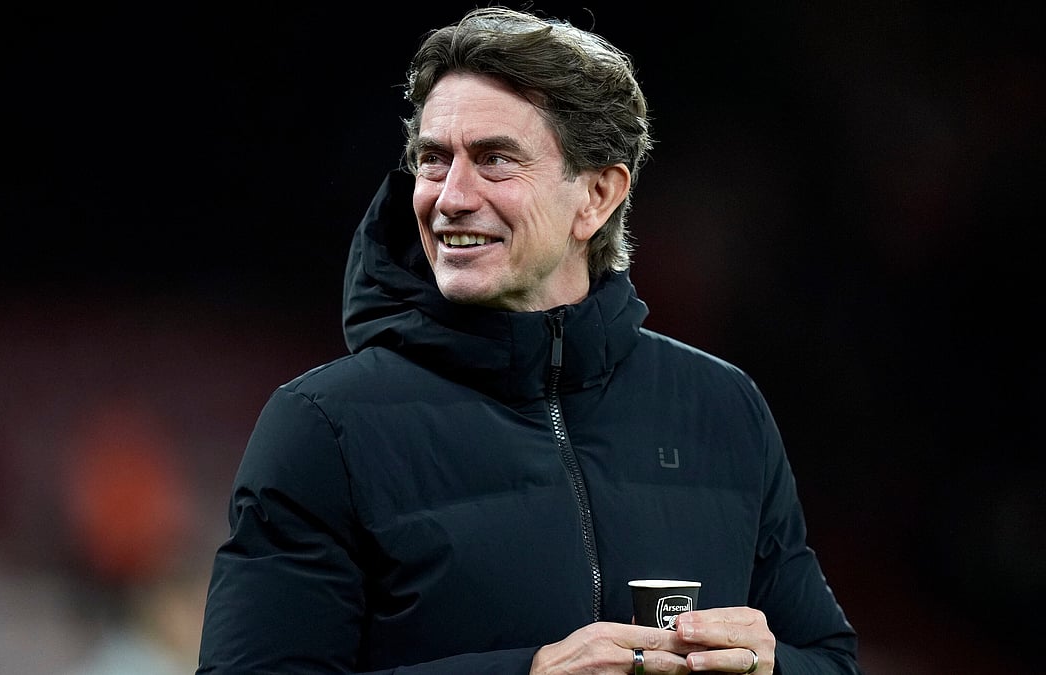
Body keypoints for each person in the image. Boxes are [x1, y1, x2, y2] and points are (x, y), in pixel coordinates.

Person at [197, 6, 859, 674]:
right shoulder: (323, 427)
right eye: (433, 160)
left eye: (494, 160)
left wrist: (769, 667)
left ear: (597, 195)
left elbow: (830, 658)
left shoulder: (722, 407)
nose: (451, 195)